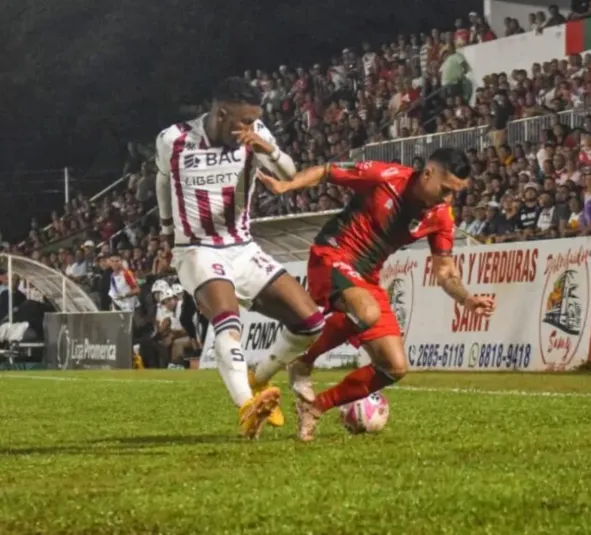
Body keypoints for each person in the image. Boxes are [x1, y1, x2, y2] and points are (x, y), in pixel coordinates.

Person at [255, 149, 495, 442]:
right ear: (428, 173)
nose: (448, 199)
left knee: (394, 366)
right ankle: (304, 360)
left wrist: (466, 298)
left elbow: (444, 271)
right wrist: (287, 185)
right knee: (367, 312)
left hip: (366, 277)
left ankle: (315, 408)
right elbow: (328, 171)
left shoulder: (441, 217)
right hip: (332, 253)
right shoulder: (386, 176)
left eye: (455, 193)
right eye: (445, 190)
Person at [154, 77, 326, 439]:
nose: (250, 127)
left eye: (254, 121)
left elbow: (289, 174)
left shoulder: (255, 134)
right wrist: (167, 227)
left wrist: (266, 147)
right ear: (222, 114)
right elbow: (163, 179)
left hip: (243, 248)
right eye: (244, 121)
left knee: (310, 321)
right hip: (197, 248)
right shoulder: (174, 139)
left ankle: (258, 378)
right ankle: (247, 405)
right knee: (227, 320)